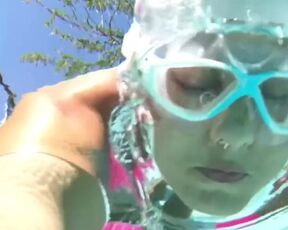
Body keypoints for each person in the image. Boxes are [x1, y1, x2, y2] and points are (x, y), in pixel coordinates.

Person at [1, 0, 288, 229]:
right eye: (197, 83)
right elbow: (22, 195)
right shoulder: (67, 121)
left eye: (282, 95)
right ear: (141, 84)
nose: (236, 134)